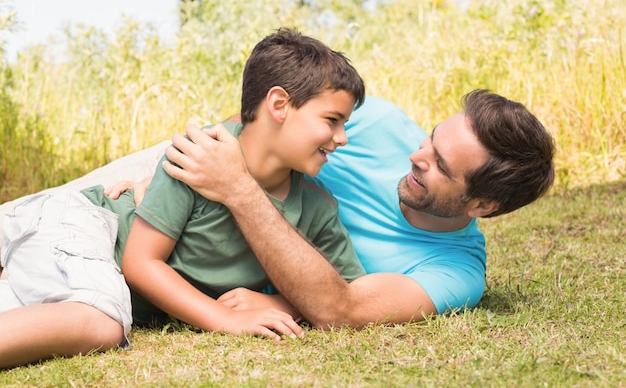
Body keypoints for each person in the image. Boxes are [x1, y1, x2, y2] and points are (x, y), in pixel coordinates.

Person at [0, 27, 367, 368]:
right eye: (332, 120)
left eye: (344, 124)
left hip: (81, 277)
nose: (341, 138)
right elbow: (141, 263)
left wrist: (279, 302)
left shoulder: (316, 205)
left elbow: (347, 291)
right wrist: (223, 318)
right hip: (85, 228)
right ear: (279, 104)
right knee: (99, 325)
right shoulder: (199, 156)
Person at [149, 89, 556, 328]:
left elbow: (343, 309)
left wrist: (288, 304)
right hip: (184, 175)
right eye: (431, 139)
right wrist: (172, 177)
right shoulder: (378, 121)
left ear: (482, 205)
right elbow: (263, 128)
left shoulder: (455, 272)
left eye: (442, 166)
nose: (418, 155)